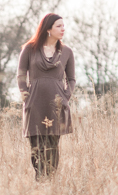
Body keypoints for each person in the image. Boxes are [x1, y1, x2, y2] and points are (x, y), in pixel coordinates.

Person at [17, 13, 75, 179]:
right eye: (59, 26)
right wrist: (26, 97)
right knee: (36, 148)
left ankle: (50, 182)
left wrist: (65, 97)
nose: (63, 29)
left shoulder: (67, 52)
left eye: (63, 26)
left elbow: (71, 79)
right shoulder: (29, 49)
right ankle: (40, 181)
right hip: (34, 104)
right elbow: (21, 76)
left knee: (52, 147)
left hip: (56, 106)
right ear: (48, 29)